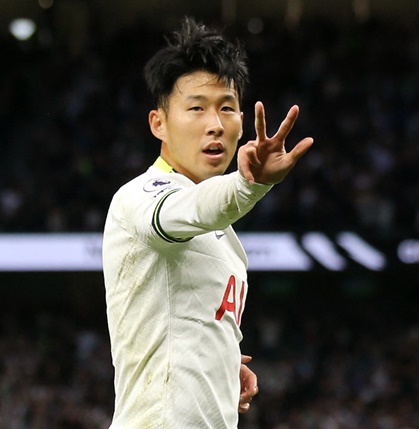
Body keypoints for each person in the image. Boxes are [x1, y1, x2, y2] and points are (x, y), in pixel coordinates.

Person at [102, 17, 313, 428]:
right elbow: (193, 208)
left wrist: (221, 361)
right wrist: (250, 184)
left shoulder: (226, 240)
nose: (215, 123)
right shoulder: (141, 197)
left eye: (227, 108)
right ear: (158, 123)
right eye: (196, 108)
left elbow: (183, 320)